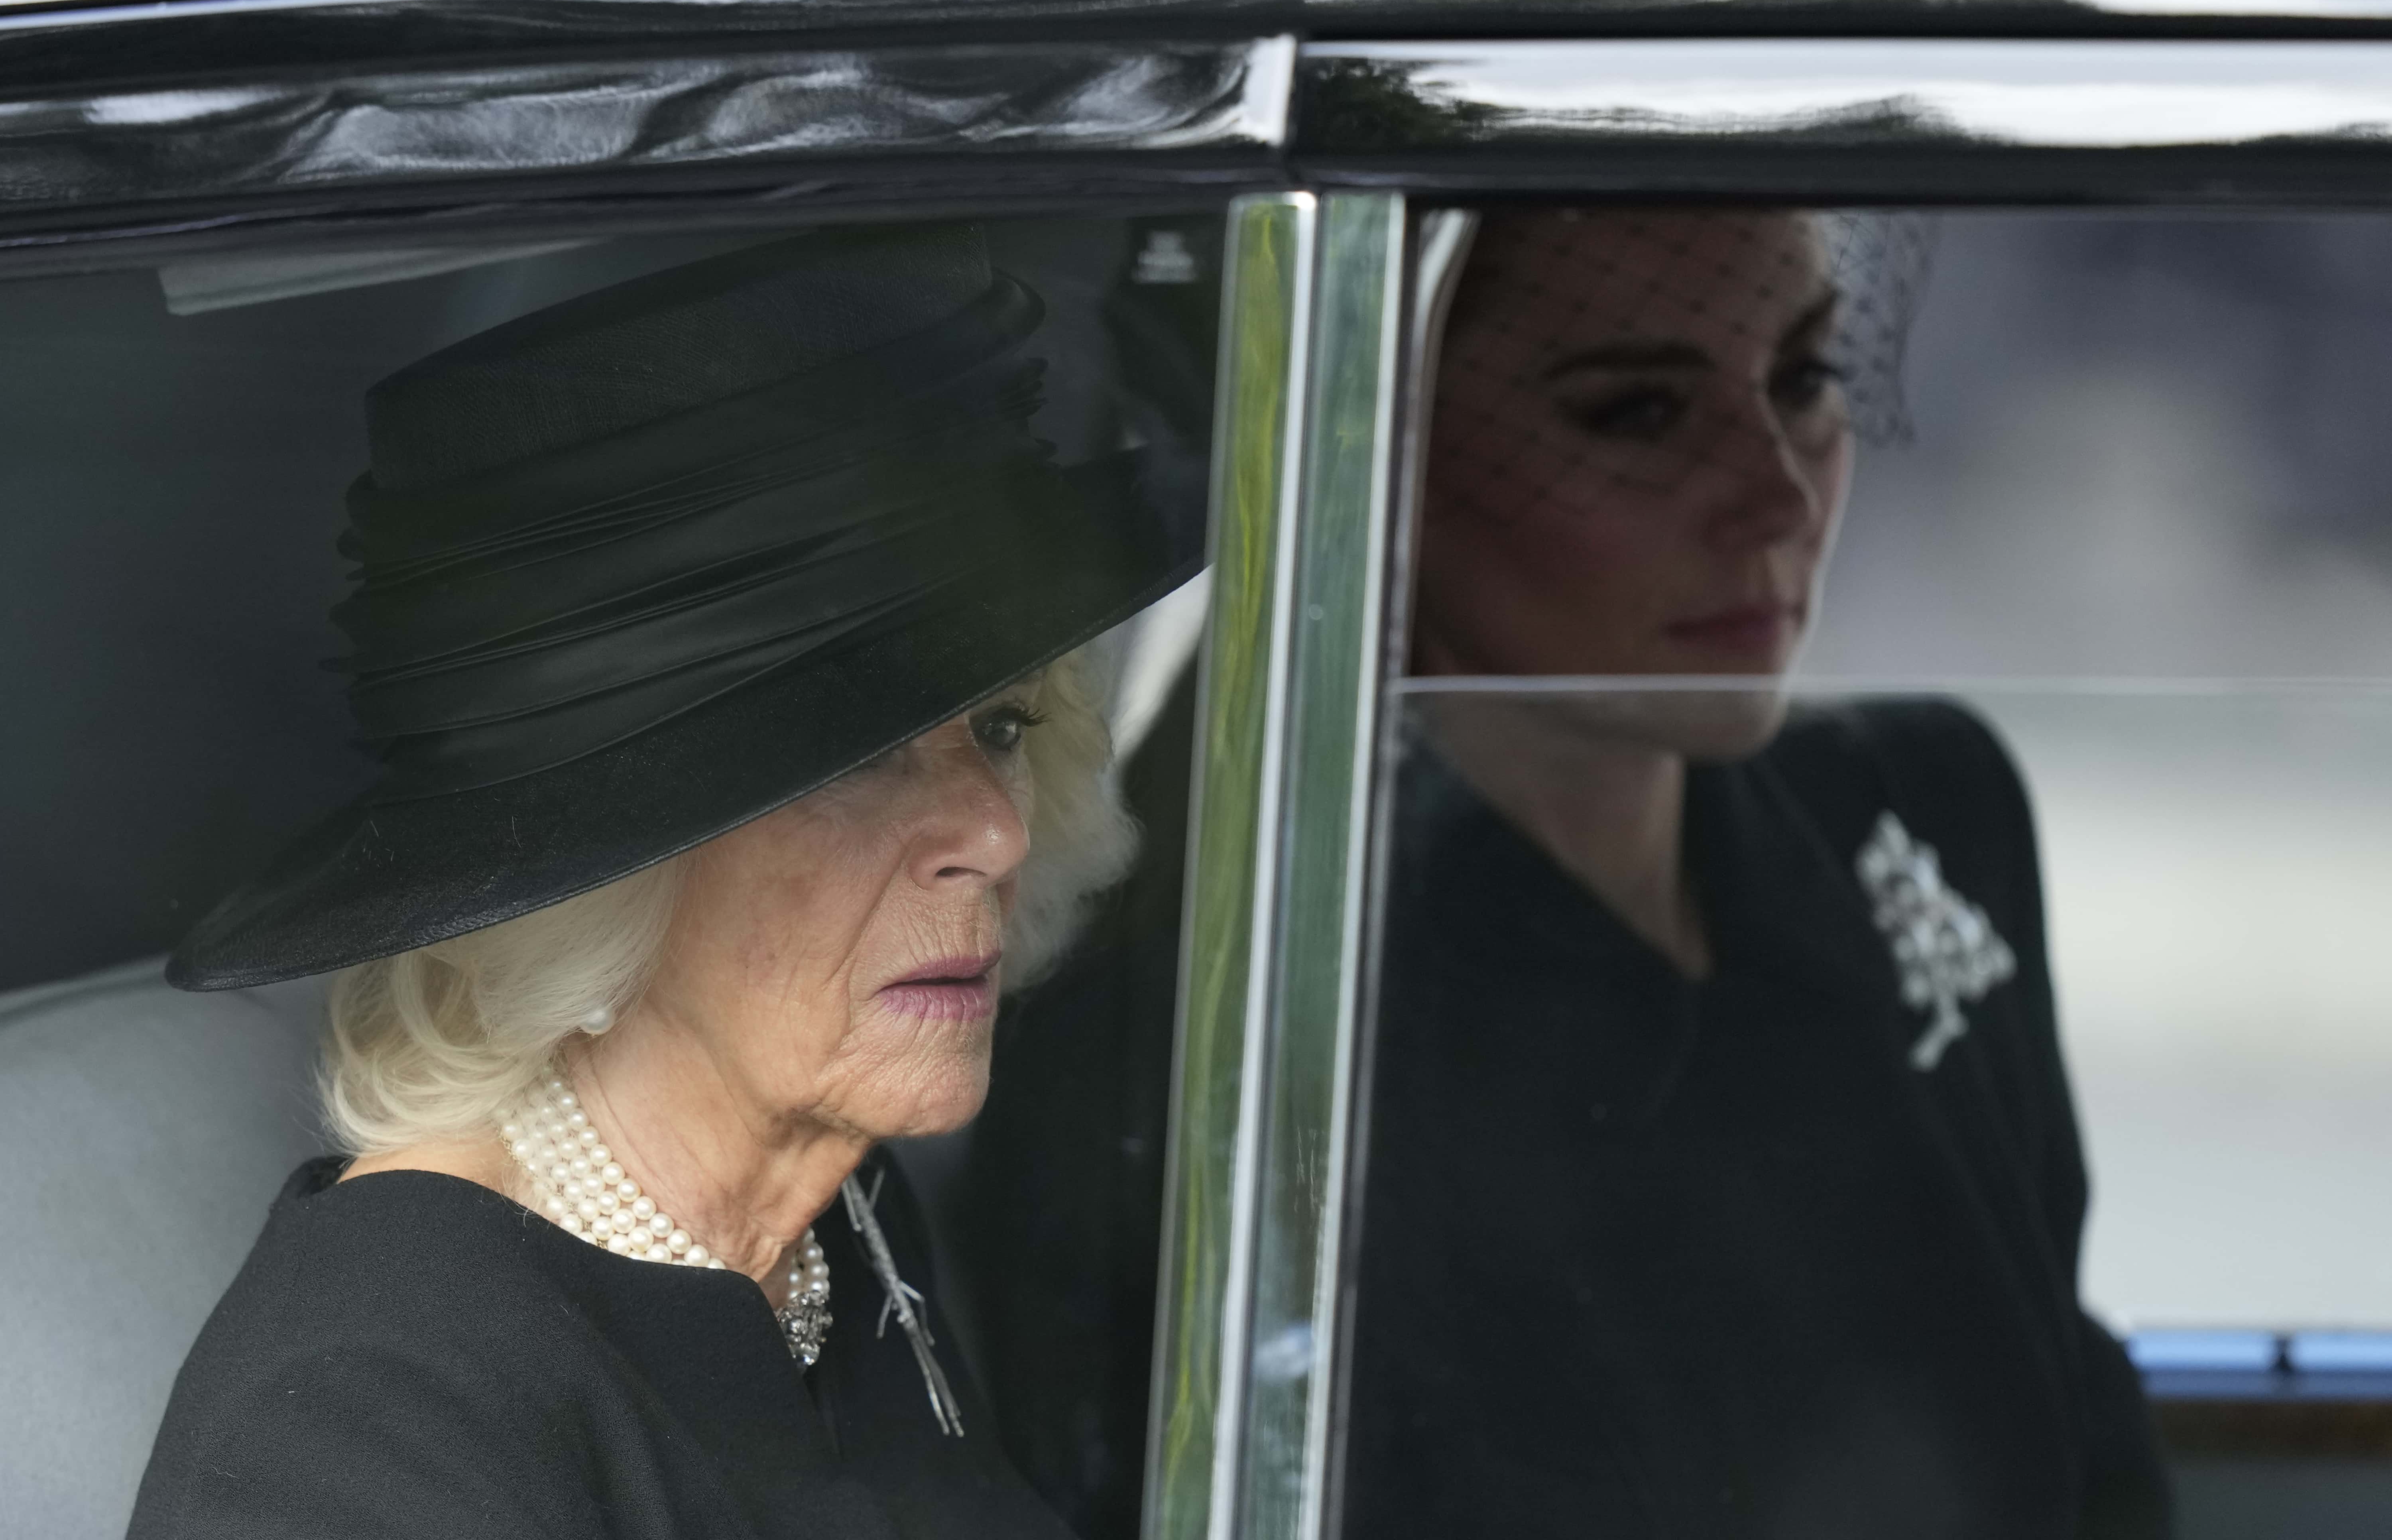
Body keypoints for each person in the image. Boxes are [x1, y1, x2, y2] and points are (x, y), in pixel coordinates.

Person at [128, 224, 1197, 1539]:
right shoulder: (367, 1416)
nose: (992, 828)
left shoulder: (825, 1210)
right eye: (857, 759)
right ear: (600, 870)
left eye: (1000, 727)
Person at [1342, 209, 2172, 1538]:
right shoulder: (1293, 974)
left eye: (1803, 381)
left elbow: (2083, 1436)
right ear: (1380, 438)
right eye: (1635, 414)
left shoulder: (1922, 811)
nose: (1780, 494)